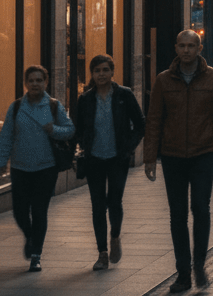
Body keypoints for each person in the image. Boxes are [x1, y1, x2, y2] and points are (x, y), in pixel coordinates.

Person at [144, 29, 213, 292]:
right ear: (176, 48)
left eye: (191, 46)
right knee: (177, 215)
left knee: (201, 208)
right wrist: (150, 157)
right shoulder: (163, 80)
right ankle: (183, 272)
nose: (186, 50)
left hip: (203, 153)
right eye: (182, 46)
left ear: (200, 48)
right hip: (172, 155)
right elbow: (154, 120)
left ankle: (199, 263)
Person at [0, 65, 75, 272]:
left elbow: (69, 130)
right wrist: (1, 162)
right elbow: (6, 136)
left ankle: (36, 254)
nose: (35, 84)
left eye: (39, 80)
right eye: (31, 80)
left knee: (40, 211)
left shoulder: (53, 106)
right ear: (26, 83)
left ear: (46, 82)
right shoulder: (16, 107)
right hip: (20, 167)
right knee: (20, 212)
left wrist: (54, 130)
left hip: (45, 168)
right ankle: (30, 235)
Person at [75, 55, 145, 271]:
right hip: (94, 159)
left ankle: (115, 236)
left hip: (117, 158)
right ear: (92, 74)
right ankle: (102, 253)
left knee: (115, 201)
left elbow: (140, 125)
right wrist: (80, 145)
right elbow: (78, 128)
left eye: (105, 70)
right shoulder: (85, 99)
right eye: (97, 71)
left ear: (112, 72)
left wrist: (128, 147)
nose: (101, 74)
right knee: (97, 206)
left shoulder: (124, 95)